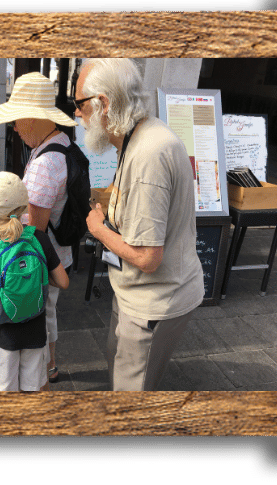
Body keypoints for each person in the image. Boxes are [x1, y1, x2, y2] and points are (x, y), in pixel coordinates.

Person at [75, 58, 205, 391]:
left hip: (154, 299)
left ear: (103, 104)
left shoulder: (148, 154)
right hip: (136, 293)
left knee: (130, 392)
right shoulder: (138, 134)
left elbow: (148, 258)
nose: (77, 114)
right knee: (118, 365)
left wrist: (98, 229)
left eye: (79, 104)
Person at [0, 72, 77, 385]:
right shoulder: (63, 144)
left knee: (41, 312)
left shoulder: (44, 165)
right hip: (59, 252)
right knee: (48, 310)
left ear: (33, 118)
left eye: (17, 119)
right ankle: (49, 366)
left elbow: (32, 234)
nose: (14, 127)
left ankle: (42, 371)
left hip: (38, 263)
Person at [0, 171, 69, 391]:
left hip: (2, 338)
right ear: (24, 206)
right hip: (36, 333)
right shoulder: (39, 238)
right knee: (34, 390)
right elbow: (63, 282)